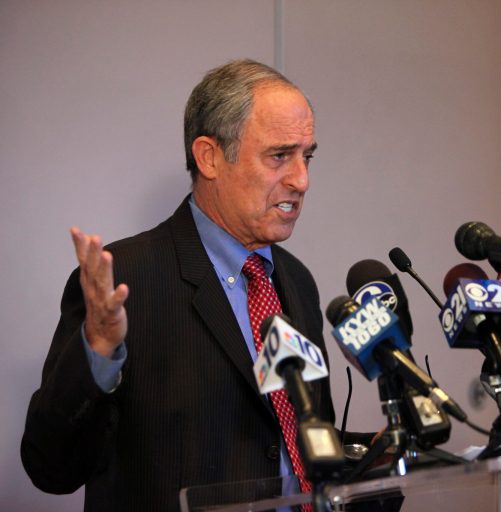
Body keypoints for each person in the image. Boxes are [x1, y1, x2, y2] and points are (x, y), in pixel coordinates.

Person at [21, 59, 348, 511]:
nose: (302, 180)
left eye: (306, 156)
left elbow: (296, 442)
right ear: (209, 157)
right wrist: (97, 352)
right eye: (279, 156)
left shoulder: (296, 281)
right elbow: (51, 468)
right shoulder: (126, 281)